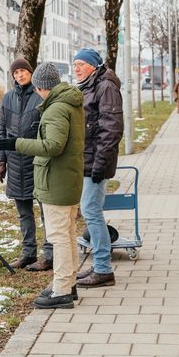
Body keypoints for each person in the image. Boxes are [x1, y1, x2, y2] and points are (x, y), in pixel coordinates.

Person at [0, 62, 85, 310]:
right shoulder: (70, 103)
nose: (36, 92)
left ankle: (62, 291)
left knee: (59, 237)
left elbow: (53, 146)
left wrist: (18, 144)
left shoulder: (56, 108)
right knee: (67, 233)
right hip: (67, 177)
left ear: (43, 86)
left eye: (37, 87)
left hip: (57, 180)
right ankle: (68, 283)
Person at [71, 48, 122, 288]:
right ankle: (100, 265)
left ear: (94, 65)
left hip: (96, 162)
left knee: (91, 210)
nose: (77, 68)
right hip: (88, 160)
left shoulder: (105, 87)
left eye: (81, 63)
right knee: (91, 210)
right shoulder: (90, 86)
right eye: (75, 64)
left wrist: (99, 165)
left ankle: (103, 269)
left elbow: (111, 130)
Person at [0, 58, 52, 271]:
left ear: (31, 72)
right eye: (16, 72)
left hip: (37, 161)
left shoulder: (41, 95)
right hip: (15, 162)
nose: (20, 75)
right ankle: (28, 253)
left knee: (46, 209)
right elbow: (2, 132)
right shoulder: (8, 98)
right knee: (23, 211)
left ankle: (50, 253)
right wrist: (1, 160)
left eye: (23, 71)